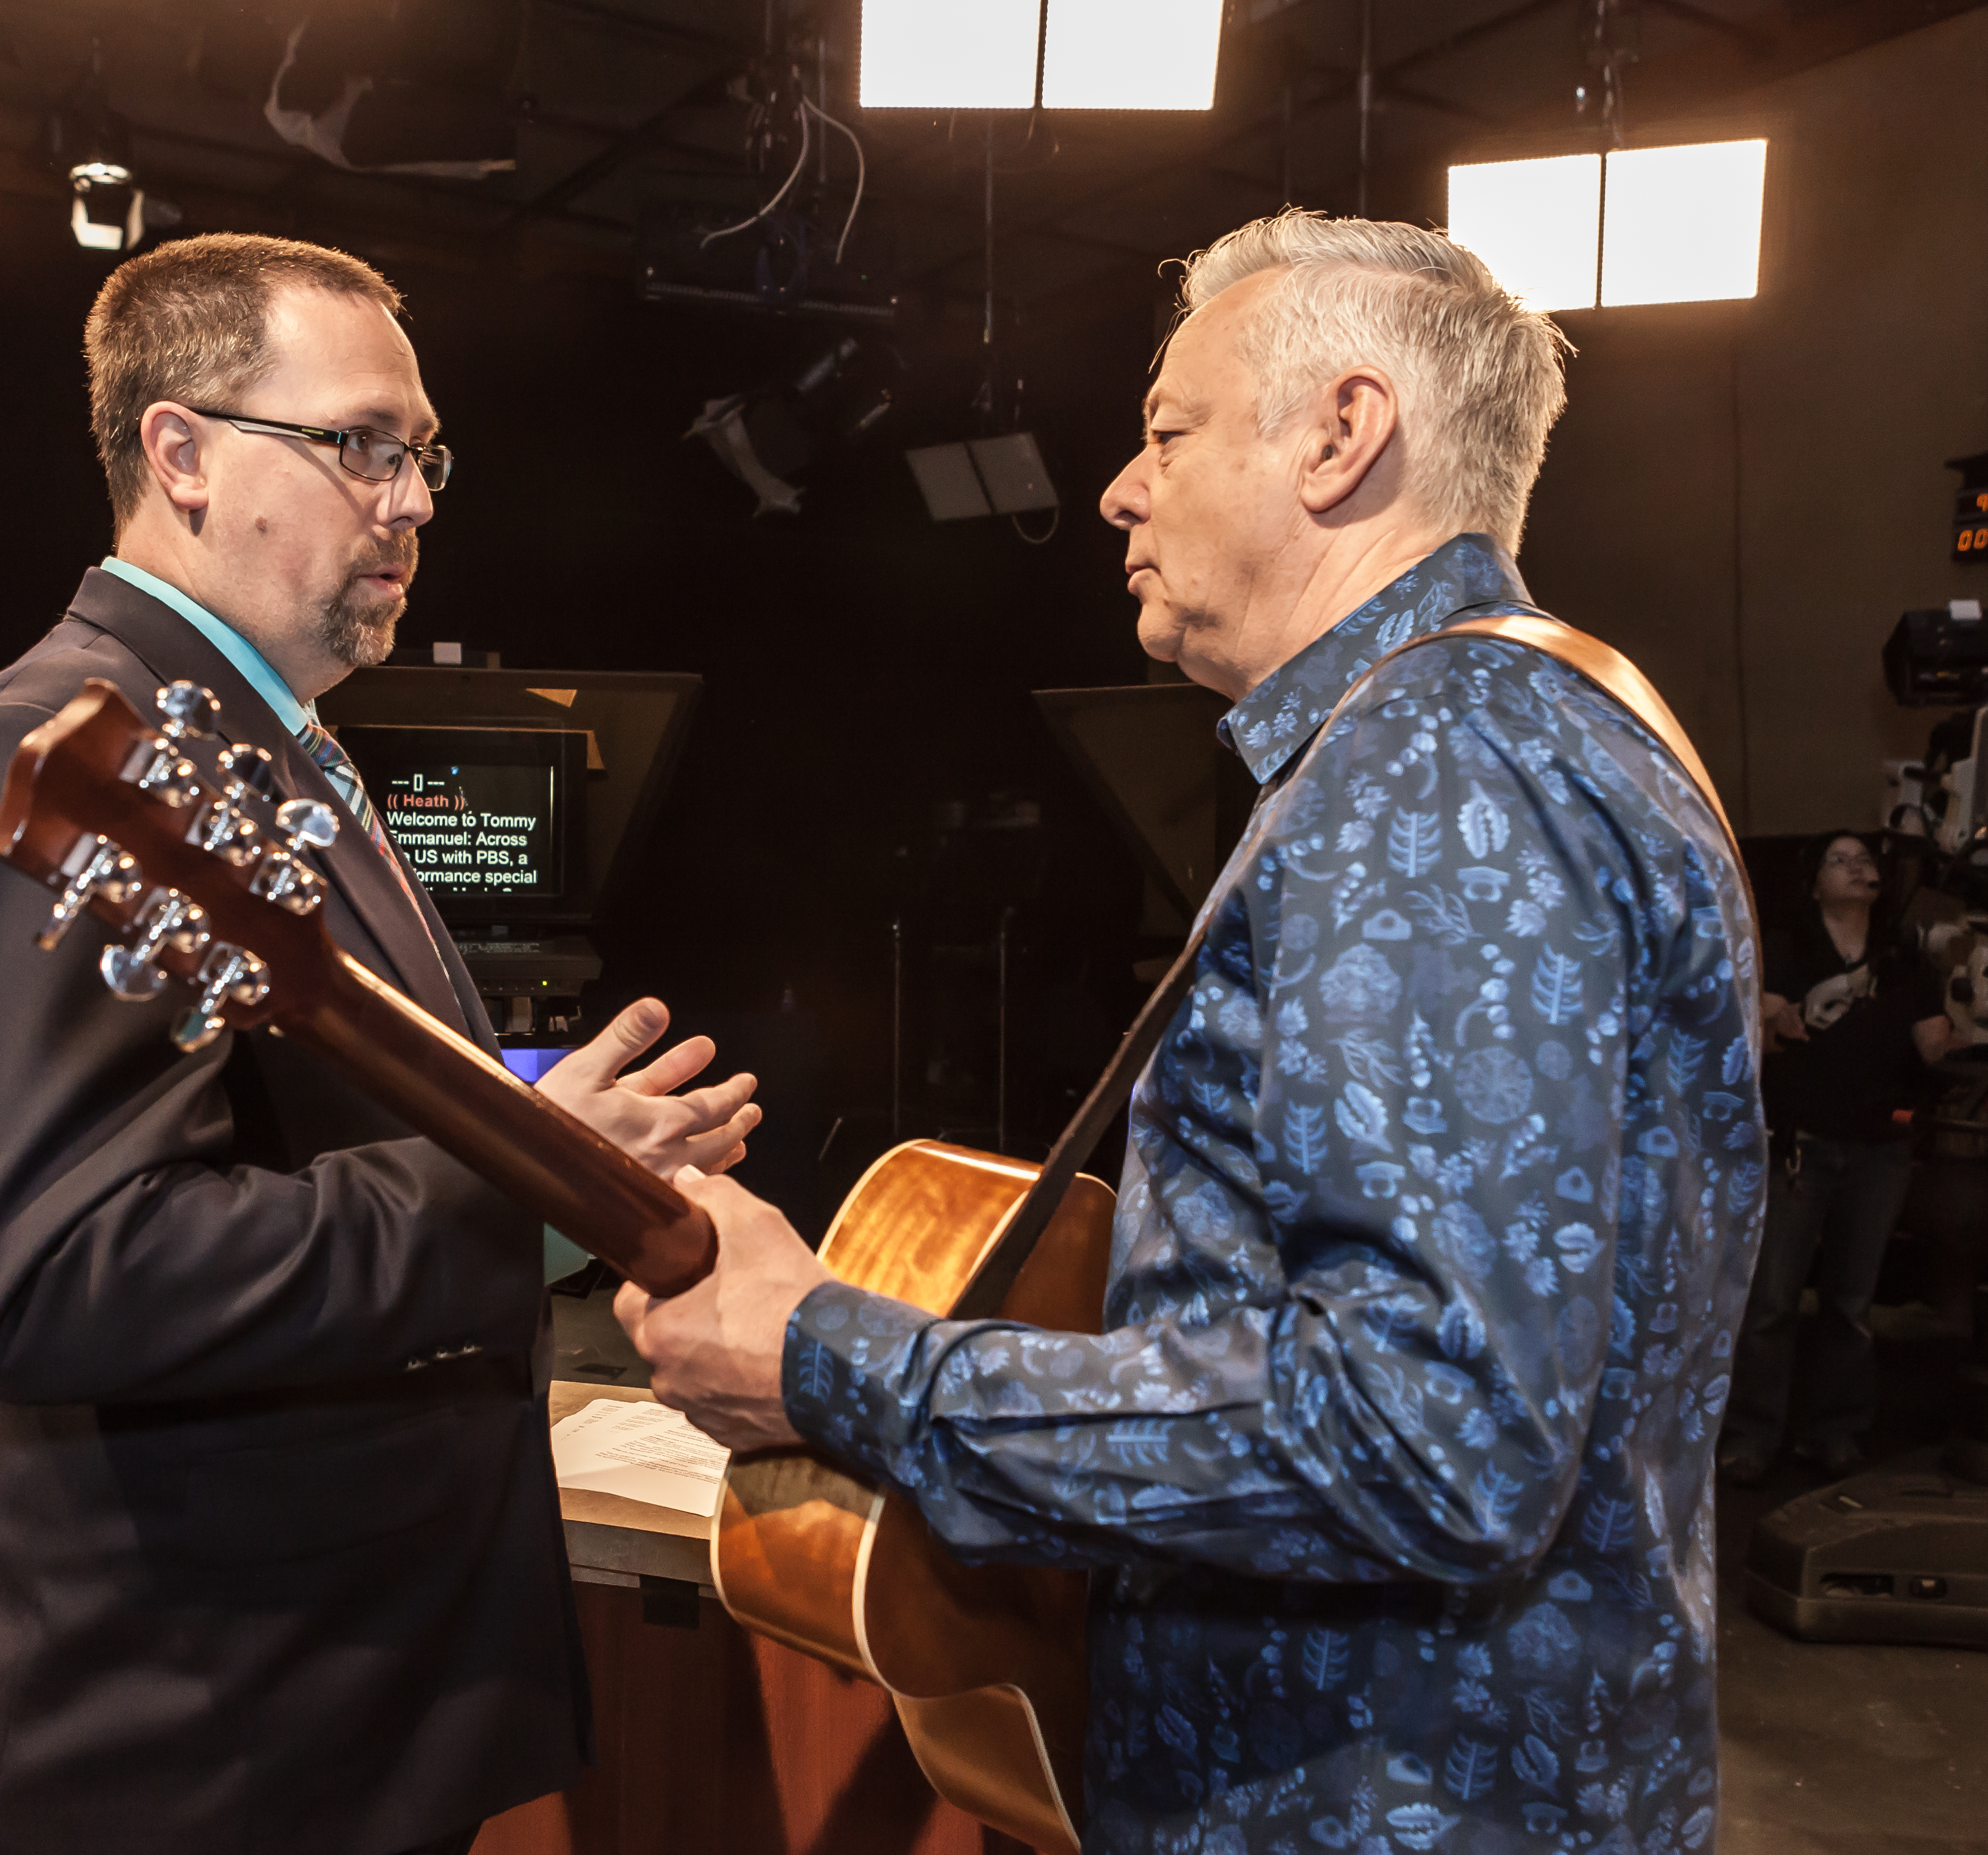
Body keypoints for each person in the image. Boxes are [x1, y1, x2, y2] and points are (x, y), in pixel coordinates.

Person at [615, 211, 1763, 1855]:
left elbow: (1426, 1436)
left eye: (1166, 431)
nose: (1117, 490)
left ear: (1338, 435)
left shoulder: (1427, 771)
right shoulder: (1539, 719)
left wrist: (827, 1357)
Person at [0, 233, 758, 1855]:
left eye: (422, 455)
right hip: (199, 1749)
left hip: (337, 1713)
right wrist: (540, 1198)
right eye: (360, 446)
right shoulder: (52, 750)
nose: (411, 500)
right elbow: (63, 1275)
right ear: (181, 452)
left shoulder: (269, 744)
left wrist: (569, 1130)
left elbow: (326, 1124)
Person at [1720, 832, 1964, 1484]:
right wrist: (1775, 1014)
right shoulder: (1784, 951)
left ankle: (1836, 1433)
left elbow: (1930, 1044)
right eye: (1841, 860)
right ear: (1813, 883)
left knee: (1850, 1304)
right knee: (1771, 1300)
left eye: (1866, 860)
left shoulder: (1902, 960)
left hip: (1879, 1148)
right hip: (1801, 1143)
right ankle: (1750, 1436)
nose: (1859, 868)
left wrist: (1964, 1003)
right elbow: (1750, 1032)